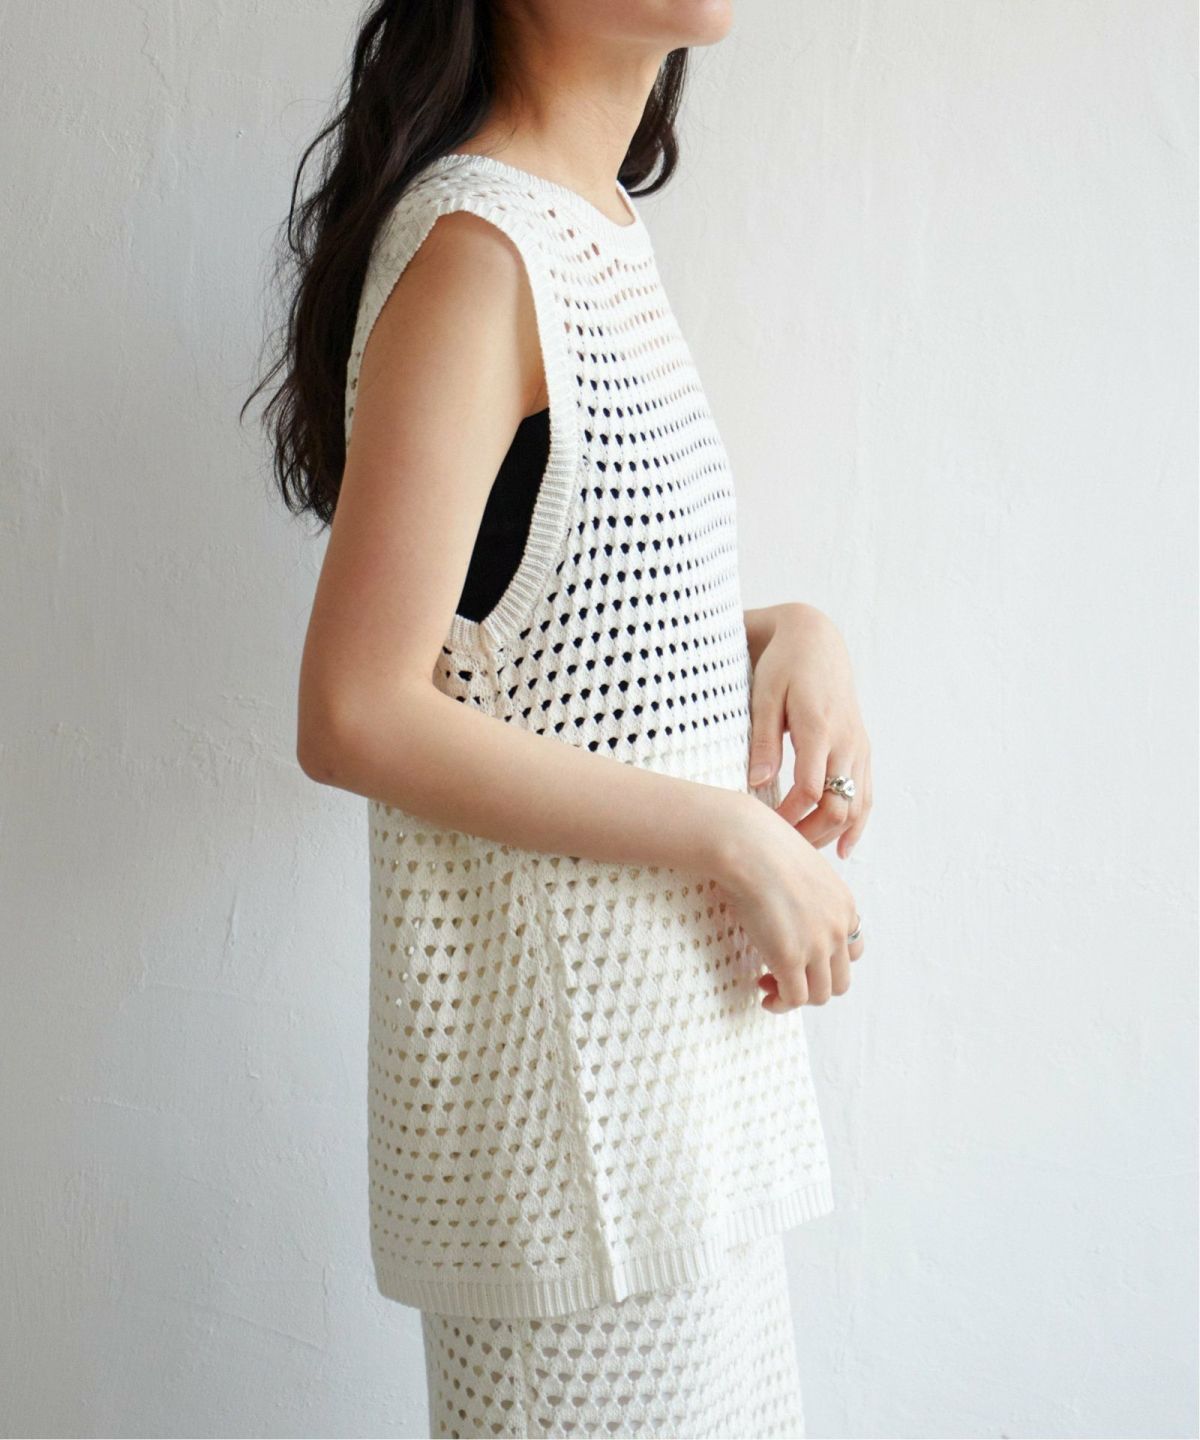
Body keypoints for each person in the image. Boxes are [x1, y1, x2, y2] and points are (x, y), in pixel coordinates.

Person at [244, 1, 872, 1434]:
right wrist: (735, 836)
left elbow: (546, 642)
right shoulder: (483, 254)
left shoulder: (587, 227)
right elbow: (356, 707)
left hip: (677, 1133)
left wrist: (789, 630)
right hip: (572, 1176)